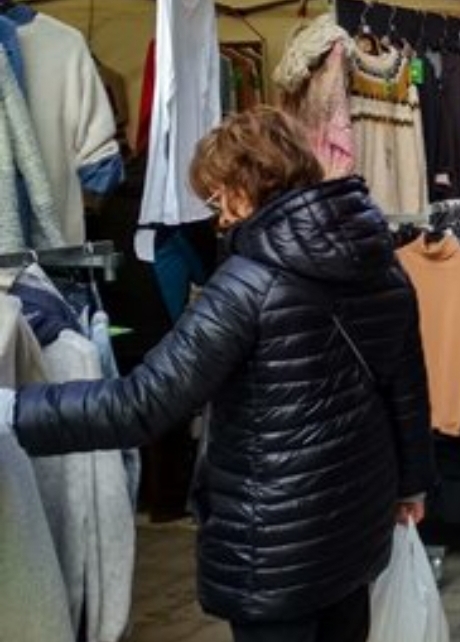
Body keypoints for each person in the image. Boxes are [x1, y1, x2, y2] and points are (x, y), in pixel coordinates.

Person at [0, 106, 436, 642]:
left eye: (215, 196)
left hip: (272, 547)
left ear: (245, 184)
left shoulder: (247, 284)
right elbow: (406, 387)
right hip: (356, 524)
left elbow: (141, 404)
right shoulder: (380, 261)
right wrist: (412, 483)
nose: (218, 216)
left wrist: (13, 410)